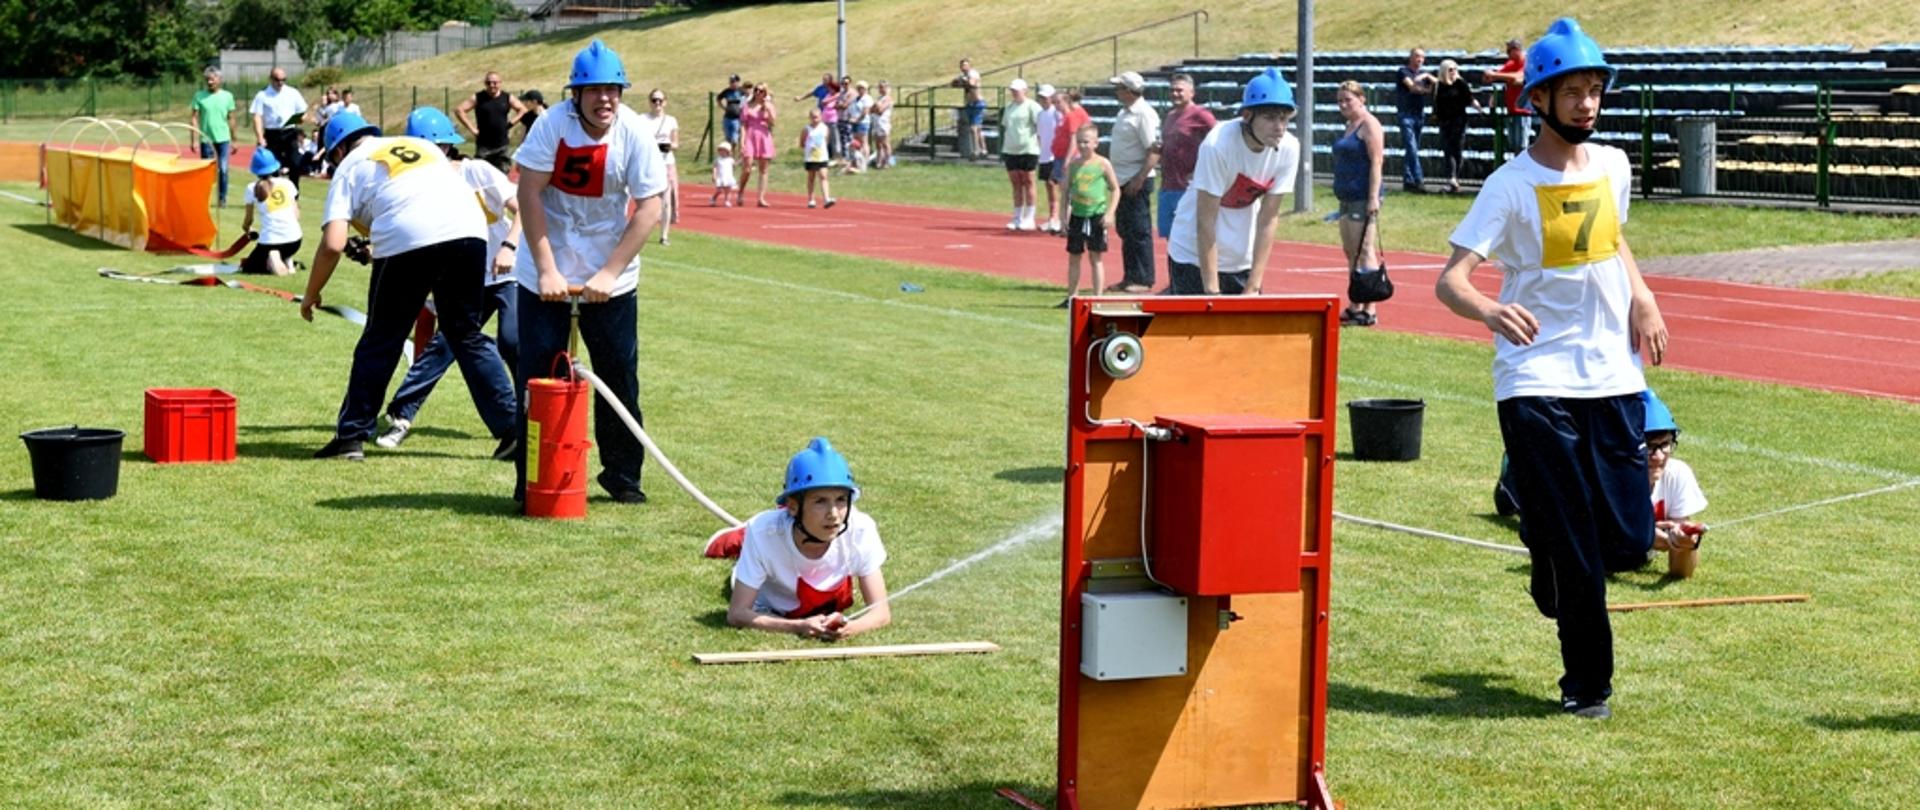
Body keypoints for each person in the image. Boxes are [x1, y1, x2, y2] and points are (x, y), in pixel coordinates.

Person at [1435, 18, 1670, 721]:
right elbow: (1451, 280)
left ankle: (1541, 538)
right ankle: (1587, 686)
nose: (1587, 104)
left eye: (1595, 90)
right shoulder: (1509, 185)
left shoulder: (1614, 165)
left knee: (1628, 540)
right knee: (1576, 546)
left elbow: (1613, 241)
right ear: (1536, 99)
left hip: (1612, 373)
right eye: (1572, 91)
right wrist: (1487, 309)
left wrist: (1644, 297)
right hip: (1535, 378)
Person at [300, 111, 517, 463]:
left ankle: (351, 436)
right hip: (470, 231)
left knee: (381, 338)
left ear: (337, 150)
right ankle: (512, 430)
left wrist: (311, 295)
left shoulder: (349, 166)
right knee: (466, 333)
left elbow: (333, 244)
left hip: (409, 235)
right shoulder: (419, 145)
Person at [510, 39, 668, 504]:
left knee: (618, 374)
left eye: (613, 89)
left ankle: (623, 478)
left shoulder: (634, 131)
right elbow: (529, 193)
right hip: (546, 266)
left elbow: (649, 208)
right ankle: (532, 479)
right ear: (575, 94)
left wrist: (608, 274)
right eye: (594, 89)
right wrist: (546, 269)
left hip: (610, 271)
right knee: (540, 377)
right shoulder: (551, 125)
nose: (605, 99)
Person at [373, 107, 523, 458]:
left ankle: (527, 416)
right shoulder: (413, 185)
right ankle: (400, 415)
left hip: (508, 272)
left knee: (513, 340)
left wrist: (509, 247)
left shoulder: (477, 171)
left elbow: (525, 210)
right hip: (464, 278)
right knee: (443, 347)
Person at [707, 438, 892, 641]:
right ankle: (736, 535)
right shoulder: (763, 534)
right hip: (769, 591)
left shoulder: (861, 528)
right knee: (741, 539)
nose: (833, 514)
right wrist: (797, 626)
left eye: (840, 500)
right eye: (820, 501)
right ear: (792, 506)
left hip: (822, 596)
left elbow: (881, 613)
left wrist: (849, 628)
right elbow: (737, 614)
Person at [1165, 68, 1300, 296]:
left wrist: (1253, 286)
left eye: (1284, 118)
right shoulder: (1218, 145)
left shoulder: (1289, 147)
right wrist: (1212, 291)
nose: (1279, 127)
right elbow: (1205, 219)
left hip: (1240, 259)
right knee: (1198, 331)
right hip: (1192, 255)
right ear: (1247, 116)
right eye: (1269, 118)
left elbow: (1268, 218)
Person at [1333, 80, 1386, 326]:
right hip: (1346, 196)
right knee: (1351, 253)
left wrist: (1373, 198)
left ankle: (1370, 308)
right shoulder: (1349, 125)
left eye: (1348, 100)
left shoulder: (1369, 125)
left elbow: (1376, 162)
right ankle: (1355, 304)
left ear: (1361, 99)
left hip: (1363, 197)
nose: (1344, 104)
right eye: (1340, 101)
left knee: (1365, 251)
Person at [1643, 390, 1708, 577]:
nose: (1658, 457)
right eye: (1649, 446)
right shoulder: (1607, 477)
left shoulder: (1677, 474)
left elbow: (1682, 572)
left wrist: (1684, 545)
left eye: (1665, 445)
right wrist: (1646, 536)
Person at [1106, 71, 1160, 293]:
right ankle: (1130, 276)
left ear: (1129, 90)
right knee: (1126, 230)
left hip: (1135, 179)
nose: (1116, 91)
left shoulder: (1144, 114)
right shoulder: (1125, 112)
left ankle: (1143, 278)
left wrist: (1139, 178)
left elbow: (1154, 149)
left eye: (1119, 87)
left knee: (1138, 232)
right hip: (1123, 179)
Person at [1056, 124, 1119, 308]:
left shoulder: (1102, 164)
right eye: (1079, 142)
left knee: (1095, 257)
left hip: (1096, 216)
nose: (1082, 145)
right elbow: (1066, 191)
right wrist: (1062, 217)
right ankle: (1072, 297)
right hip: (1077, 215)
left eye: (1086, 142)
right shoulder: (1074, 165)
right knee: (1074, 256)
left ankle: (1097, 297)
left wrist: (1110, 213)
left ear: (1095, 143)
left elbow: (1115, 189)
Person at [1155, 72, 1217, 239]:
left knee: (1188, 238)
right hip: (1168, 186)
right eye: (1172, 90)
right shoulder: (1170, 116)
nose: (1175, 94)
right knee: (1170, 237)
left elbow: (1219, 139)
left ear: (1191, 92)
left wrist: (1201, 170)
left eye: (1179, 90)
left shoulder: (1200, 114)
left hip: (1188, 187)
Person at [236, 148, 299, 276]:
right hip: (295, 240)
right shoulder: (288, 184)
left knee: (249, 268)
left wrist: (246, 228)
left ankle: (273, 256)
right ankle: (286, 258)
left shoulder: (251, 188)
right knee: (283, 248)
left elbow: (249, 220)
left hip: (270, 241)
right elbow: (296, 214)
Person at [456, 71, 528, 174]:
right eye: (488, 83)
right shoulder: (478, 97)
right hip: (483, 145)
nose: (492, 85)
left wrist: (510, 124)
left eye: (494, 83)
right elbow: (459, 110)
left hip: (502, 145)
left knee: (503, 175)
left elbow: (523, 109)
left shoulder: (507, 97)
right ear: (485, 84)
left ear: (500, 83)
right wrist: (473, 130)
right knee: (479, 175)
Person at [249, 68, 308, 191]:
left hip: (289, 132)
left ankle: (294, 193)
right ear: (271, 79)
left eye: (283, 80)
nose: (280, 83)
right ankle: (274, 193)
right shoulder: (262, 95)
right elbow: (257, 117)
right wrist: (260, 137)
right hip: (272, 133)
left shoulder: (292, 93)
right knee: (272, 166)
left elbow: (303, 112)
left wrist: (301, 118)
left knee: (295, 163)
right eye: (277, 80)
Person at [1433, 59, 1485, 193]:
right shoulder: (1439, 85)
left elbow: (1469, 98)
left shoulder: (1460, 84)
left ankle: (1455, 178)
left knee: (1457, 150)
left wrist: (1479, 108)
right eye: (1450, 70)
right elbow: (1437, 104)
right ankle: (1451, 178)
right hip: (1445, 121)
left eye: (1455, 69)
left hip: (1459, 121)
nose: (1453, 72)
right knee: (1447, 149)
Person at [189, 67, 237, 208]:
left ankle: (222, 199)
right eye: (207, 79)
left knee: (223, 169)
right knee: (206, 171)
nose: (210, 82)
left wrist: (234, 140)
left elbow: (232, 119)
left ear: (219, 80)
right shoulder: (199, 96)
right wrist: (194, 139)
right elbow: (194, 118)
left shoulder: (227, 96)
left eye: (212, 79)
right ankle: (204, 198)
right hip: (206, 139)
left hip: (223, 139)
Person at [999, 78, 1043, 231]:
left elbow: (1040, 126)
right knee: (1016, 183)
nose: (1014, 93)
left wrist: (1040, 146)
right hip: (1011, 149)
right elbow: (1006, 126)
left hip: (1028, 149)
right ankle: (1017, 216)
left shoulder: (1032, 106)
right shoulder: (1009, 107)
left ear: (1025, 91)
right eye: (1012, 90)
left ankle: (1030, 217)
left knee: (1028, 181)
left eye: (1016, 90)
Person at [638, 88, 680, 245]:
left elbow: (676, 143)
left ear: (665, 102)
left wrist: (668, 145)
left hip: (665, 161)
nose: (657, 103)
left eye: (660, 100)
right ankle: (641, 231)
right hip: (648, 162)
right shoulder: (642, 119)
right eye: (654, 100)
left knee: (666, 200)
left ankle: (664, 235)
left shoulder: (670, 120)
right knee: (645, 198)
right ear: (649, 102)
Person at [1395, 48, 1436, 192]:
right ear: (1410, 58)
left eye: (1422, 57)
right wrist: (1424, 82)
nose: (1420, 60)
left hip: (1419, 114)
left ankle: (1408, 180)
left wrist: (1428, 79)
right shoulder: (1403, 72)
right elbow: (1412, 87)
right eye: (1417, 56)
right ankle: (1419, 180)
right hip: (1406, 114)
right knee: (1411, 147)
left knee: (1412, 148)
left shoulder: (1424, 75)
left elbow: (1436, 86)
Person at [1484, 39, 1533, 158]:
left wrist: (1495, 75)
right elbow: (1495, 77)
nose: (1508, 54)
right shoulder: (1510, 64)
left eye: (1509, 51)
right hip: (1511, 110)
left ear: (1517, 50)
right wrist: (1491, 76)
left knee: (1522, 145)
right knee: (1513, 144)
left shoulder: (1526, 62)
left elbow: (1518, 77)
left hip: (1523, 111)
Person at [738, 83, 777, 207]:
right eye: (756, 90)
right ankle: (741, 191)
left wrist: (767, 108)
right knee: (747, 167)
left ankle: (761, 198)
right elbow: (743, 125)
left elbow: (773, 122)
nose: (758, 93)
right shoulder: (747, 106)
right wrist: (742, 141)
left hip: (764, 136)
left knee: (763, 169)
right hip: (750, 135)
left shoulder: (768, 106)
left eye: (761, 91)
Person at [1033, 84, 1061, 233]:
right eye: (1041, 97)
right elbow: (1039, 135)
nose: (1043, 100)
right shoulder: (1040, 114)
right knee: (1049, 187)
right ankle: (1052, 217)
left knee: (1055, 185)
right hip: (1044, 155)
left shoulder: (1056, 113)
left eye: (1046, 97)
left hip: (1054, 155)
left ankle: (1058, 218)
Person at [799, 107, 836, 209]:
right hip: (811, 157)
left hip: (822, 157)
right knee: (811, 178)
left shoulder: (824, 128)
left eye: (817, 117)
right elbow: (802, 143)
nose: (815, 120)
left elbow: (826, 141)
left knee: (824, 176)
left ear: (821, 117)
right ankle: (811, 199)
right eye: (813, 118)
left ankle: (826, 198)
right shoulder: (806, 129)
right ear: (810, 118)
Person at [951, 58, 986, 159]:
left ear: (969, 66)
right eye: (962, 66)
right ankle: (983, 149)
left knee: (973, 128)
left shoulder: (973, 73)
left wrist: (962, 82)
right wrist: (959, 81)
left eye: (965, 65)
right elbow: (954, 84)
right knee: (978, 128)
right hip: (969, 103)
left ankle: (975, 151)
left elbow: (972, 83)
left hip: (977, 102)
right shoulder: (963, 76)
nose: (963, 67)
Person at [870, 80, 895, 170]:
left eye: (883, 87)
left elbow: (880, 110)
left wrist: (877, 106)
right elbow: (871, 110)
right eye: (880, 87)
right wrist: (876, 107)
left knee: (885, 143)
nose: (881, 89)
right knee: (878, 144)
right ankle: (879, 161)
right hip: (876, 122)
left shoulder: (888, 98)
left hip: (883, 123)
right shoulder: (879, 98)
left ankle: (887, 162)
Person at [717, 74, 747, 148]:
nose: (732, 83)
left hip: (737, 118)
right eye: (730, 82)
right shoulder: (727, 91)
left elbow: (747, 100)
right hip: (727, 118)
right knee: (728, 139)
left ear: (738, 82)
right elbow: (718, 98)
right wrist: (723, 107)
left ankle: (734, 154)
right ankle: (728, 155)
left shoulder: (741, 91)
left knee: (734, 139)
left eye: (733, 82)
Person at [710, 140, 737, 207]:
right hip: (721, 177)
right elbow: (715, 167)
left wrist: (742, 160)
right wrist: (714, 175)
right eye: (720, 150)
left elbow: (735, 165)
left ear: (728, 152)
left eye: (724, 150)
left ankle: (726, 201)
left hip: (728, 177)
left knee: (728, 190)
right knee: (719, 190)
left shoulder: (730, 160)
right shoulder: (718, 160)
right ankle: (713, 198)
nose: (722, 152)